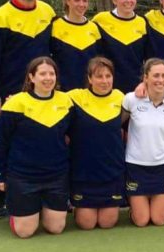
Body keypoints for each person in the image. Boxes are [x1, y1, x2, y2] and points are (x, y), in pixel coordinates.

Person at [0, 0, 56, 219]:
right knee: (8, 145)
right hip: (10, 95)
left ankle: (41, 197)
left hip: (43, 94)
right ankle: (3, 199)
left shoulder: (47, 11)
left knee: (39, 142)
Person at [0, 56, 73, 238]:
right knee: (25, 232)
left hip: (56, 175)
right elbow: (0, 142)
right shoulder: (15, 103)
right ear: (31, 77)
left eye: (51, 73)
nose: (48, 78)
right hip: (22, 176)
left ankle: (40, 209)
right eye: (42, 73)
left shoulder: (66, 102)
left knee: (55, 228)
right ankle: (21, 212)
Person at [67, 57, 125, 229]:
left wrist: (143, 85)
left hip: (111, 171)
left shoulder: (121, 98)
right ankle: (76, 207)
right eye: (99, 76)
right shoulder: (74, 97)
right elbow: (46, 100)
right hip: (83, 173)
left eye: (108, 76)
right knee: (87, 224)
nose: (104, 81)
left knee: (107, 223)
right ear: (90, 78)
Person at [123, 58, 164, 227]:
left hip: (163, 166)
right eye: (156, 75)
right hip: (136, 166)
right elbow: (118, 123)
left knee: (159, 220)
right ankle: (136, 208)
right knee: (141, 221)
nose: (160, 80)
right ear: (145, 78)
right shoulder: (131, 99)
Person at [92, 0, 148, 93]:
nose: (128, 0)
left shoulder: (142, 22)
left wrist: (144, 82)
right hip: (107, 85)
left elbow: (148, 57)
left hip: (136, 87)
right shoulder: (100, 20)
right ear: (114, 0)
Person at [51, 0, 102, 91]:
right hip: (63, 91)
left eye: (85, 1)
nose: (81, 4)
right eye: (77, 0)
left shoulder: (94, 28)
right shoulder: (56, 26)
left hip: (89, 91)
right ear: (67, 1)